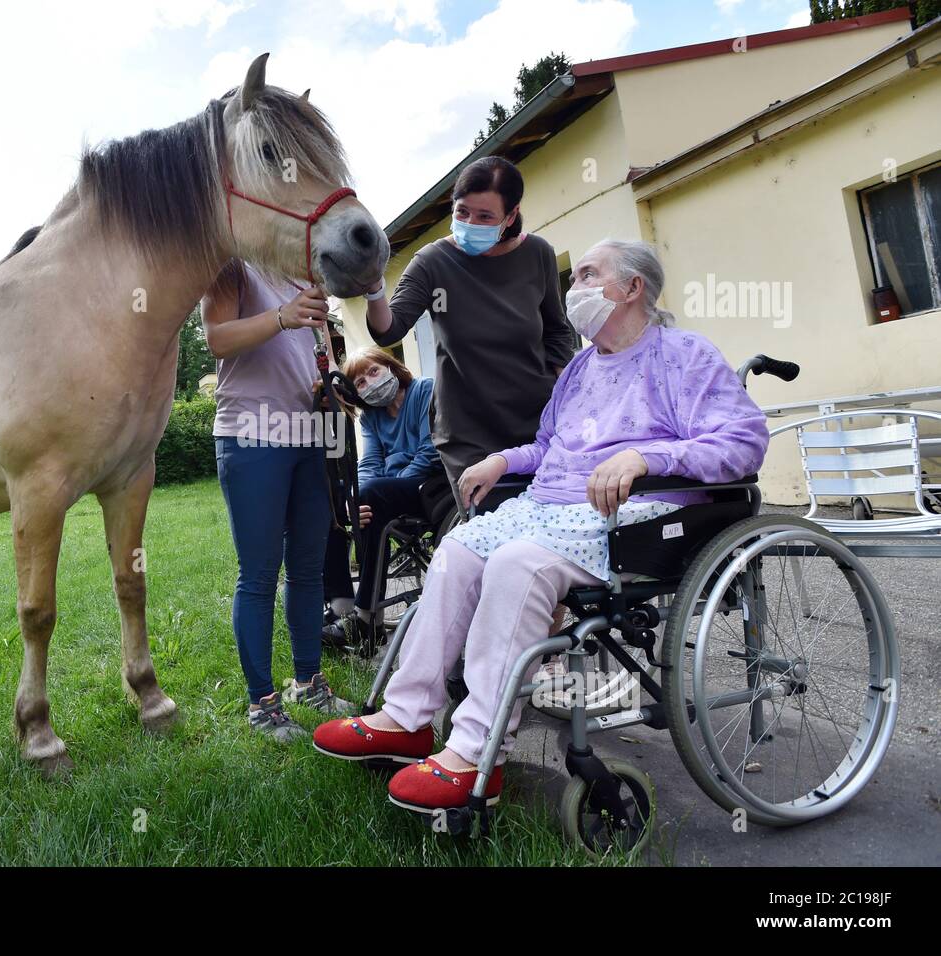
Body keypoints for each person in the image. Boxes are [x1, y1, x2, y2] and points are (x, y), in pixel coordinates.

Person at [313, 239, 770, 813]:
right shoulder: (580, 366)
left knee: (516, 564)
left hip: (637, 511)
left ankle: (476, 751)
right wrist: (505, 460)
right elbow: (552, 446)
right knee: (455, 552)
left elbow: (744, 441)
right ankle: (406, 716)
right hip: (550, 505)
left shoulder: (683, 355)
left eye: (586, 275)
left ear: (632, 288)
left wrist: (648, 458)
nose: (572, 289)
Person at [361, 156, 575, 512]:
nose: (470, 223)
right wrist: (373, 289)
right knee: (492, 535)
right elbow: (389, 329)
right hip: (469, 434)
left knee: (553, 529)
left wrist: (564, 395)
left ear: (511, 215)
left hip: (538, 426)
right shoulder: (433, 261)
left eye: (485, 217)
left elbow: (557, 331)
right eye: (462, 213)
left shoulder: (538, 254)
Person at [201, 259, 352, 742]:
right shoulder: (233, 267)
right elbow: (217, 338)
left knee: (309, 568)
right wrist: (282, 317)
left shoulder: (311, 281)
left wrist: (328, 386)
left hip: (309, 435)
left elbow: (320, 356)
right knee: (260, 573)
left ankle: (309, 682)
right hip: (250, 436)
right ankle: (262, 702)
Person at [322, 348, 442, 644]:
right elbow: (370, 464)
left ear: (391, 367)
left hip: (429, 486)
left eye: (373, 371)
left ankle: (366, 620)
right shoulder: (371, 418)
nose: (369, 382)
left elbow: (429, 452)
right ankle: (342, 605)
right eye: (360, 382)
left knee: (373, 495)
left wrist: (379, 490)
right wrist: (352, 500)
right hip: (389, 490)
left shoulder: (424, 390)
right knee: (332, 499)